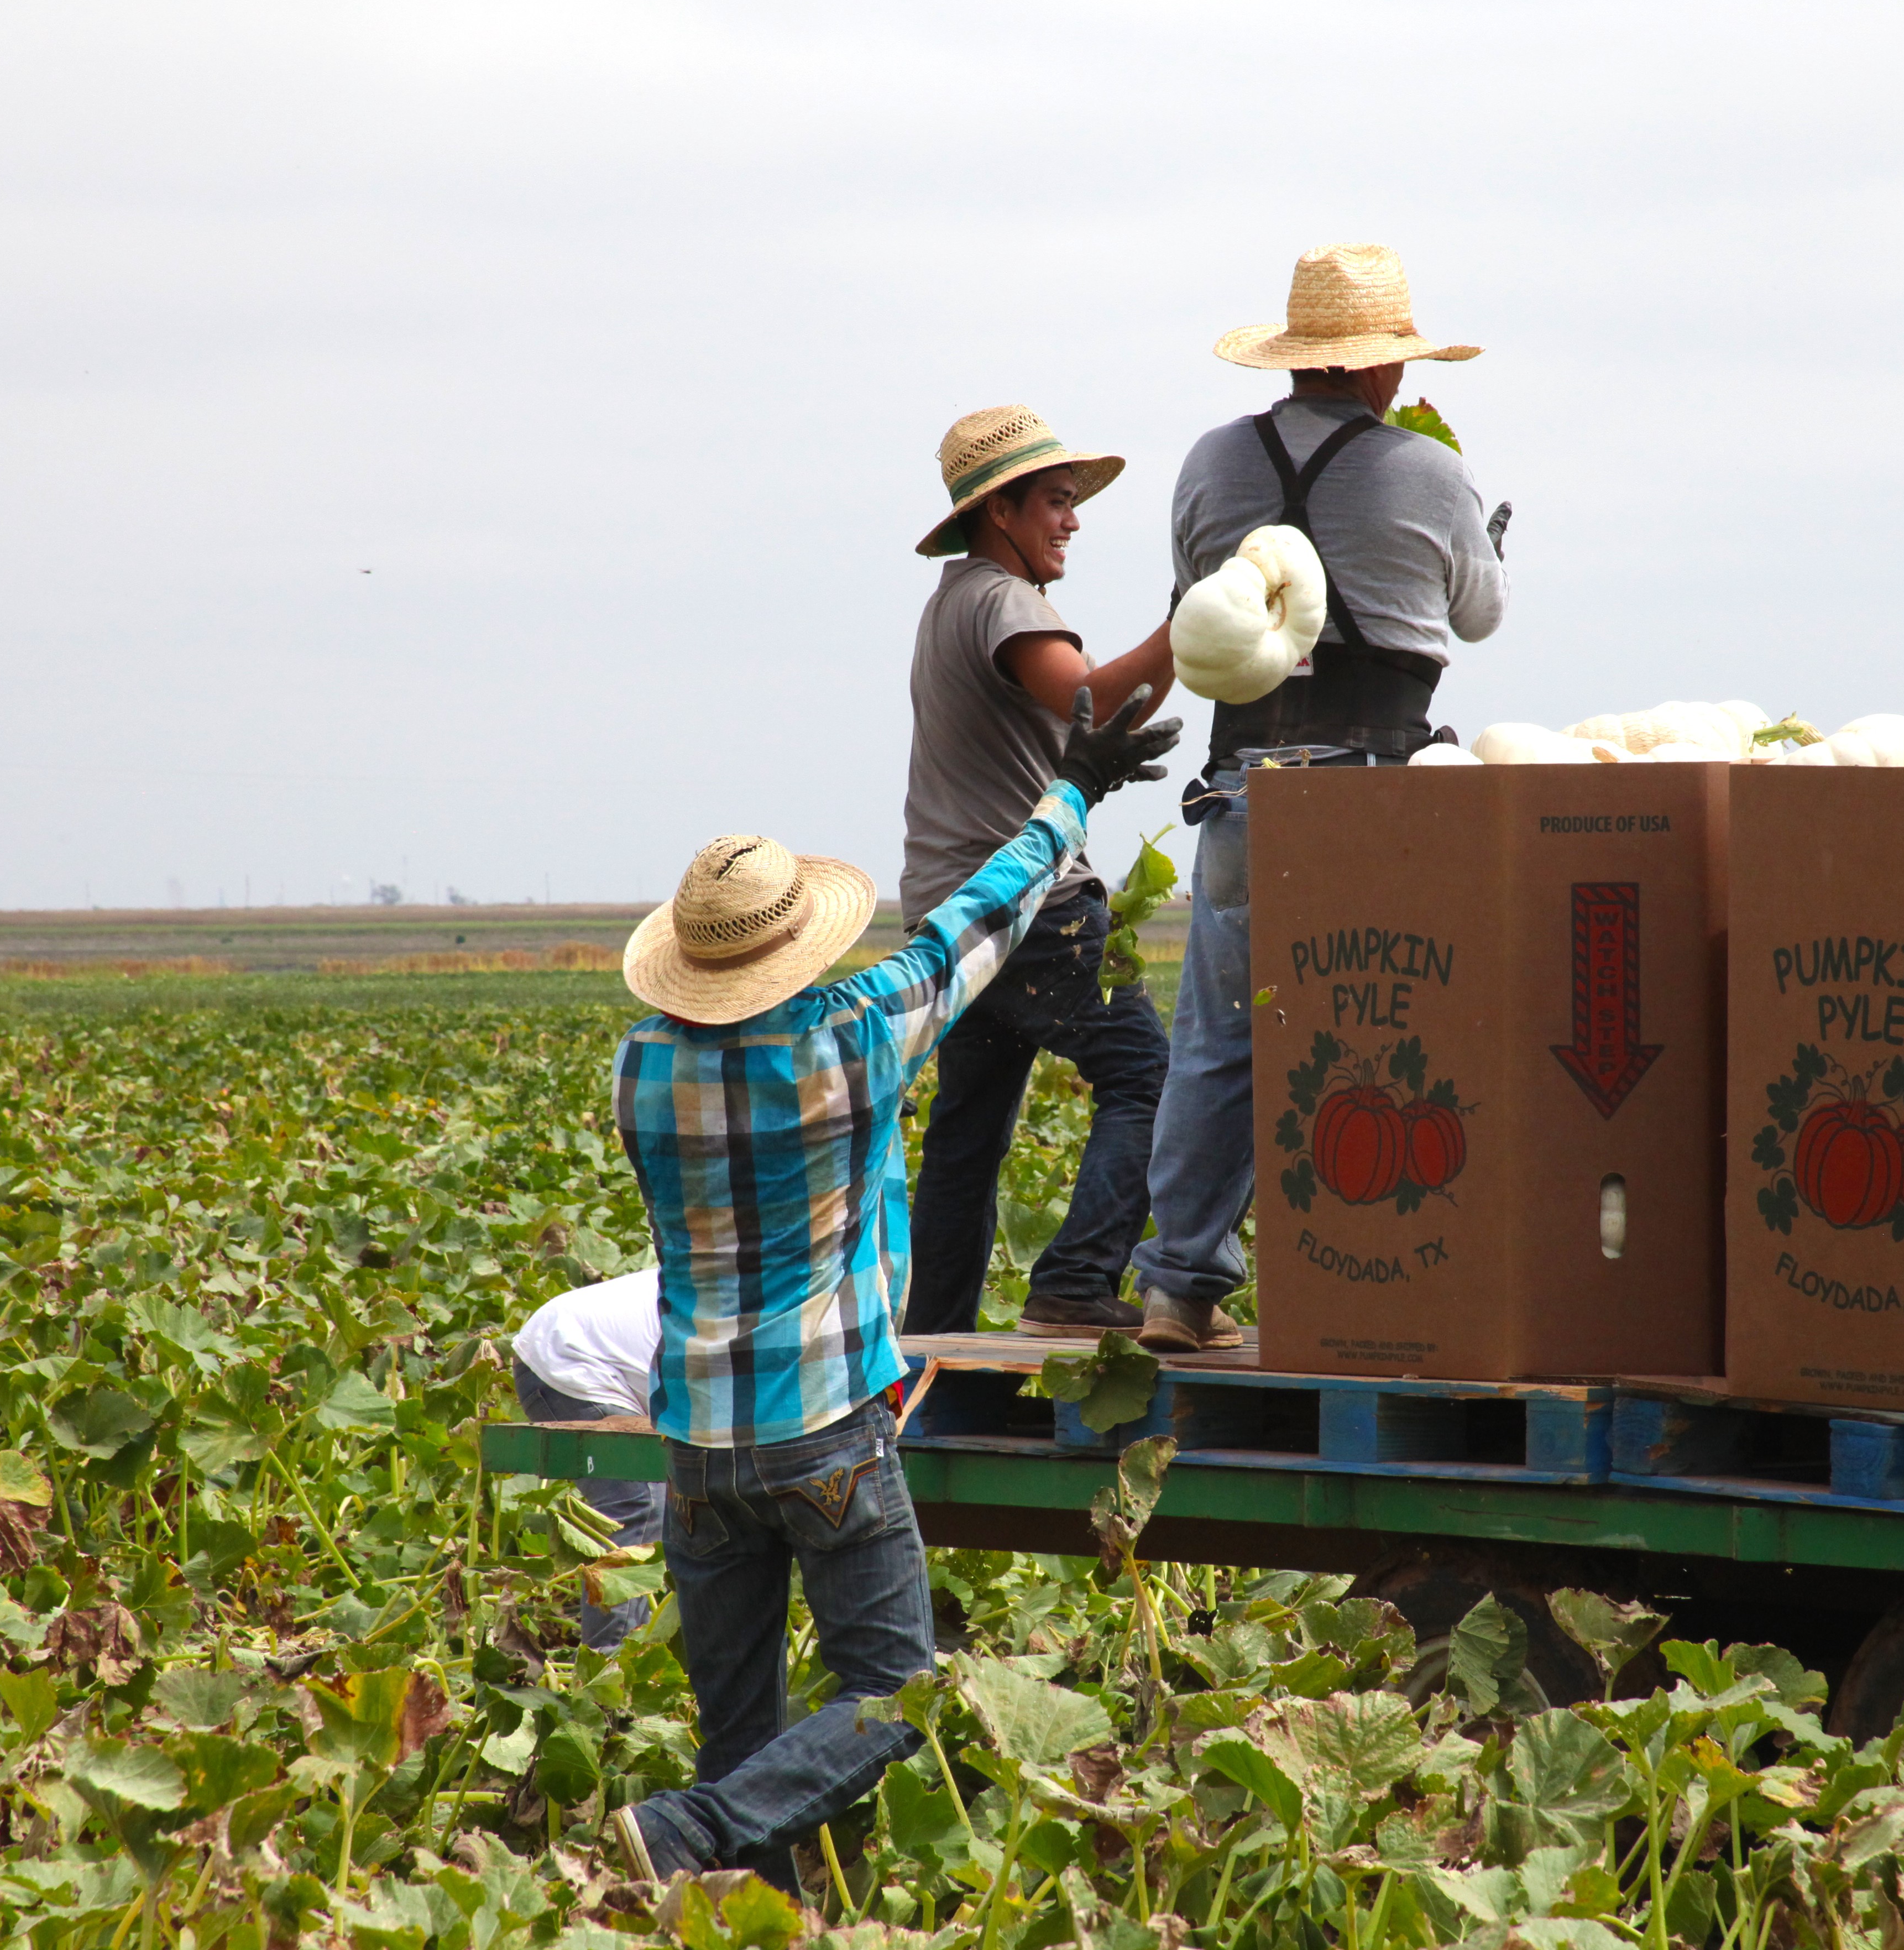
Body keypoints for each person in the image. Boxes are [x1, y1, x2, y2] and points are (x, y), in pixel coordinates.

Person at [603, 687, 1181, 1890]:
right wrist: (1074, 790)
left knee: (738, 1734)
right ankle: (690, 1838)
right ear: (798, 945)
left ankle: (742, 1905)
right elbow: (977, 924)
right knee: (897, 1690)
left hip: (697, 1446)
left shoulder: (639, 1069)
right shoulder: (854, 1033)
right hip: (825, 1433)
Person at [1131, 243, 1508, 1353]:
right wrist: (1477, 539)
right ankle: (1375, 1280)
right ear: (1387, 369)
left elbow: (1195, 599)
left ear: (1295, 363)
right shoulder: (1430, 472)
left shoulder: (1209, 462)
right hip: (1384, 794)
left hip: (1248, 783)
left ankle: (1179, 1291)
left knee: (1218, 1037)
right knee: (1391, 1032)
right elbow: (1478, 618)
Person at [900, 405, 1177, 1340]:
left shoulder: (952, 603)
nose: (1072, 519)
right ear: (1001, 512)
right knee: (1152, 1078)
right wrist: (1195, 617)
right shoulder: (1003, 600)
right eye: (1055, 501)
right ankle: (1074, 1278)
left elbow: (1094, 711)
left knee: (965, 1143)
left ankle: (929, 1334)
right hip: (1027, 908)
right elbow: (1108, 704)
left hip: (949, 918)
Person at [508, 1267, 663, 1648]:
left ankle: (652, 1659)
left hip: (579, 1349)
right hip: (568, 1359)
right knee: (640, 1501)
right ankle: (608, 1669)